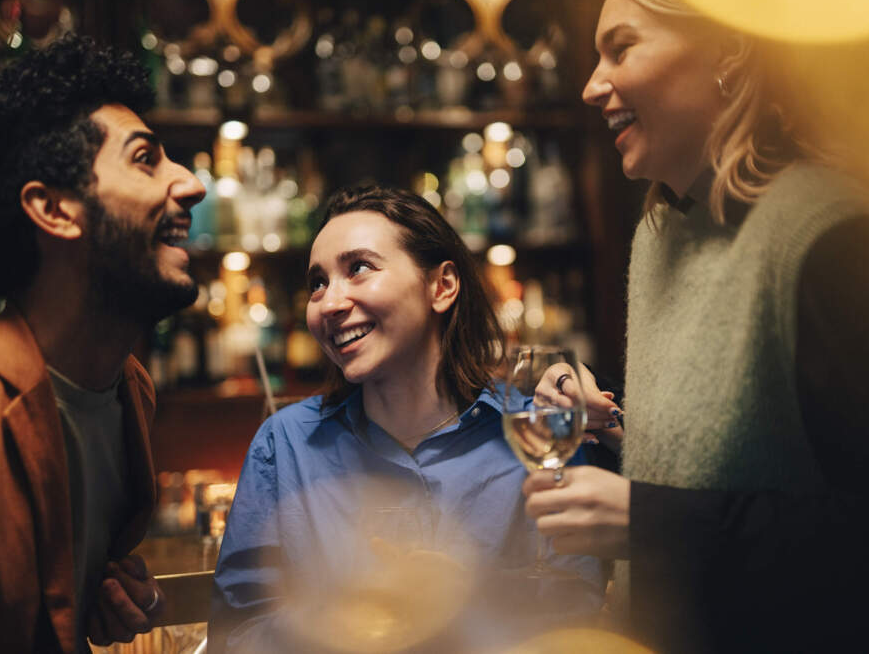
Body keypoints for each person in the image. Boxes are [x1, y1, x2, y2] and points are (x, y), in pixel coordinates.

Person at [522, 0, 869, 652]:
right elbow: (749, 461)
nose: (589, 86)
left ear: (730, 51)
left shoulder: (835, 239)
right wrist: (613, 427)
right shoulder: (663, 231)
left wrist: (650, 523)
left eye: (621, 48)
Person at [208, 187, 606, 653]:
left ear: (442, 286)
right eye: (318, 282)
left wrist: (465, 599)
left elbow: (578, 604)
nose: (330, 303)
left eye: (358, 268)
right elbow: (235, 632)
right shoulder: (286, 443)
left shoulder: (538, 430)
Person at [0, 35, 206, 652]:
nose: (191, 183)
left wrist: (91, 598)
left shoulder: (127, 390)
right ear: (55, 209)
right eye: (145, 159)